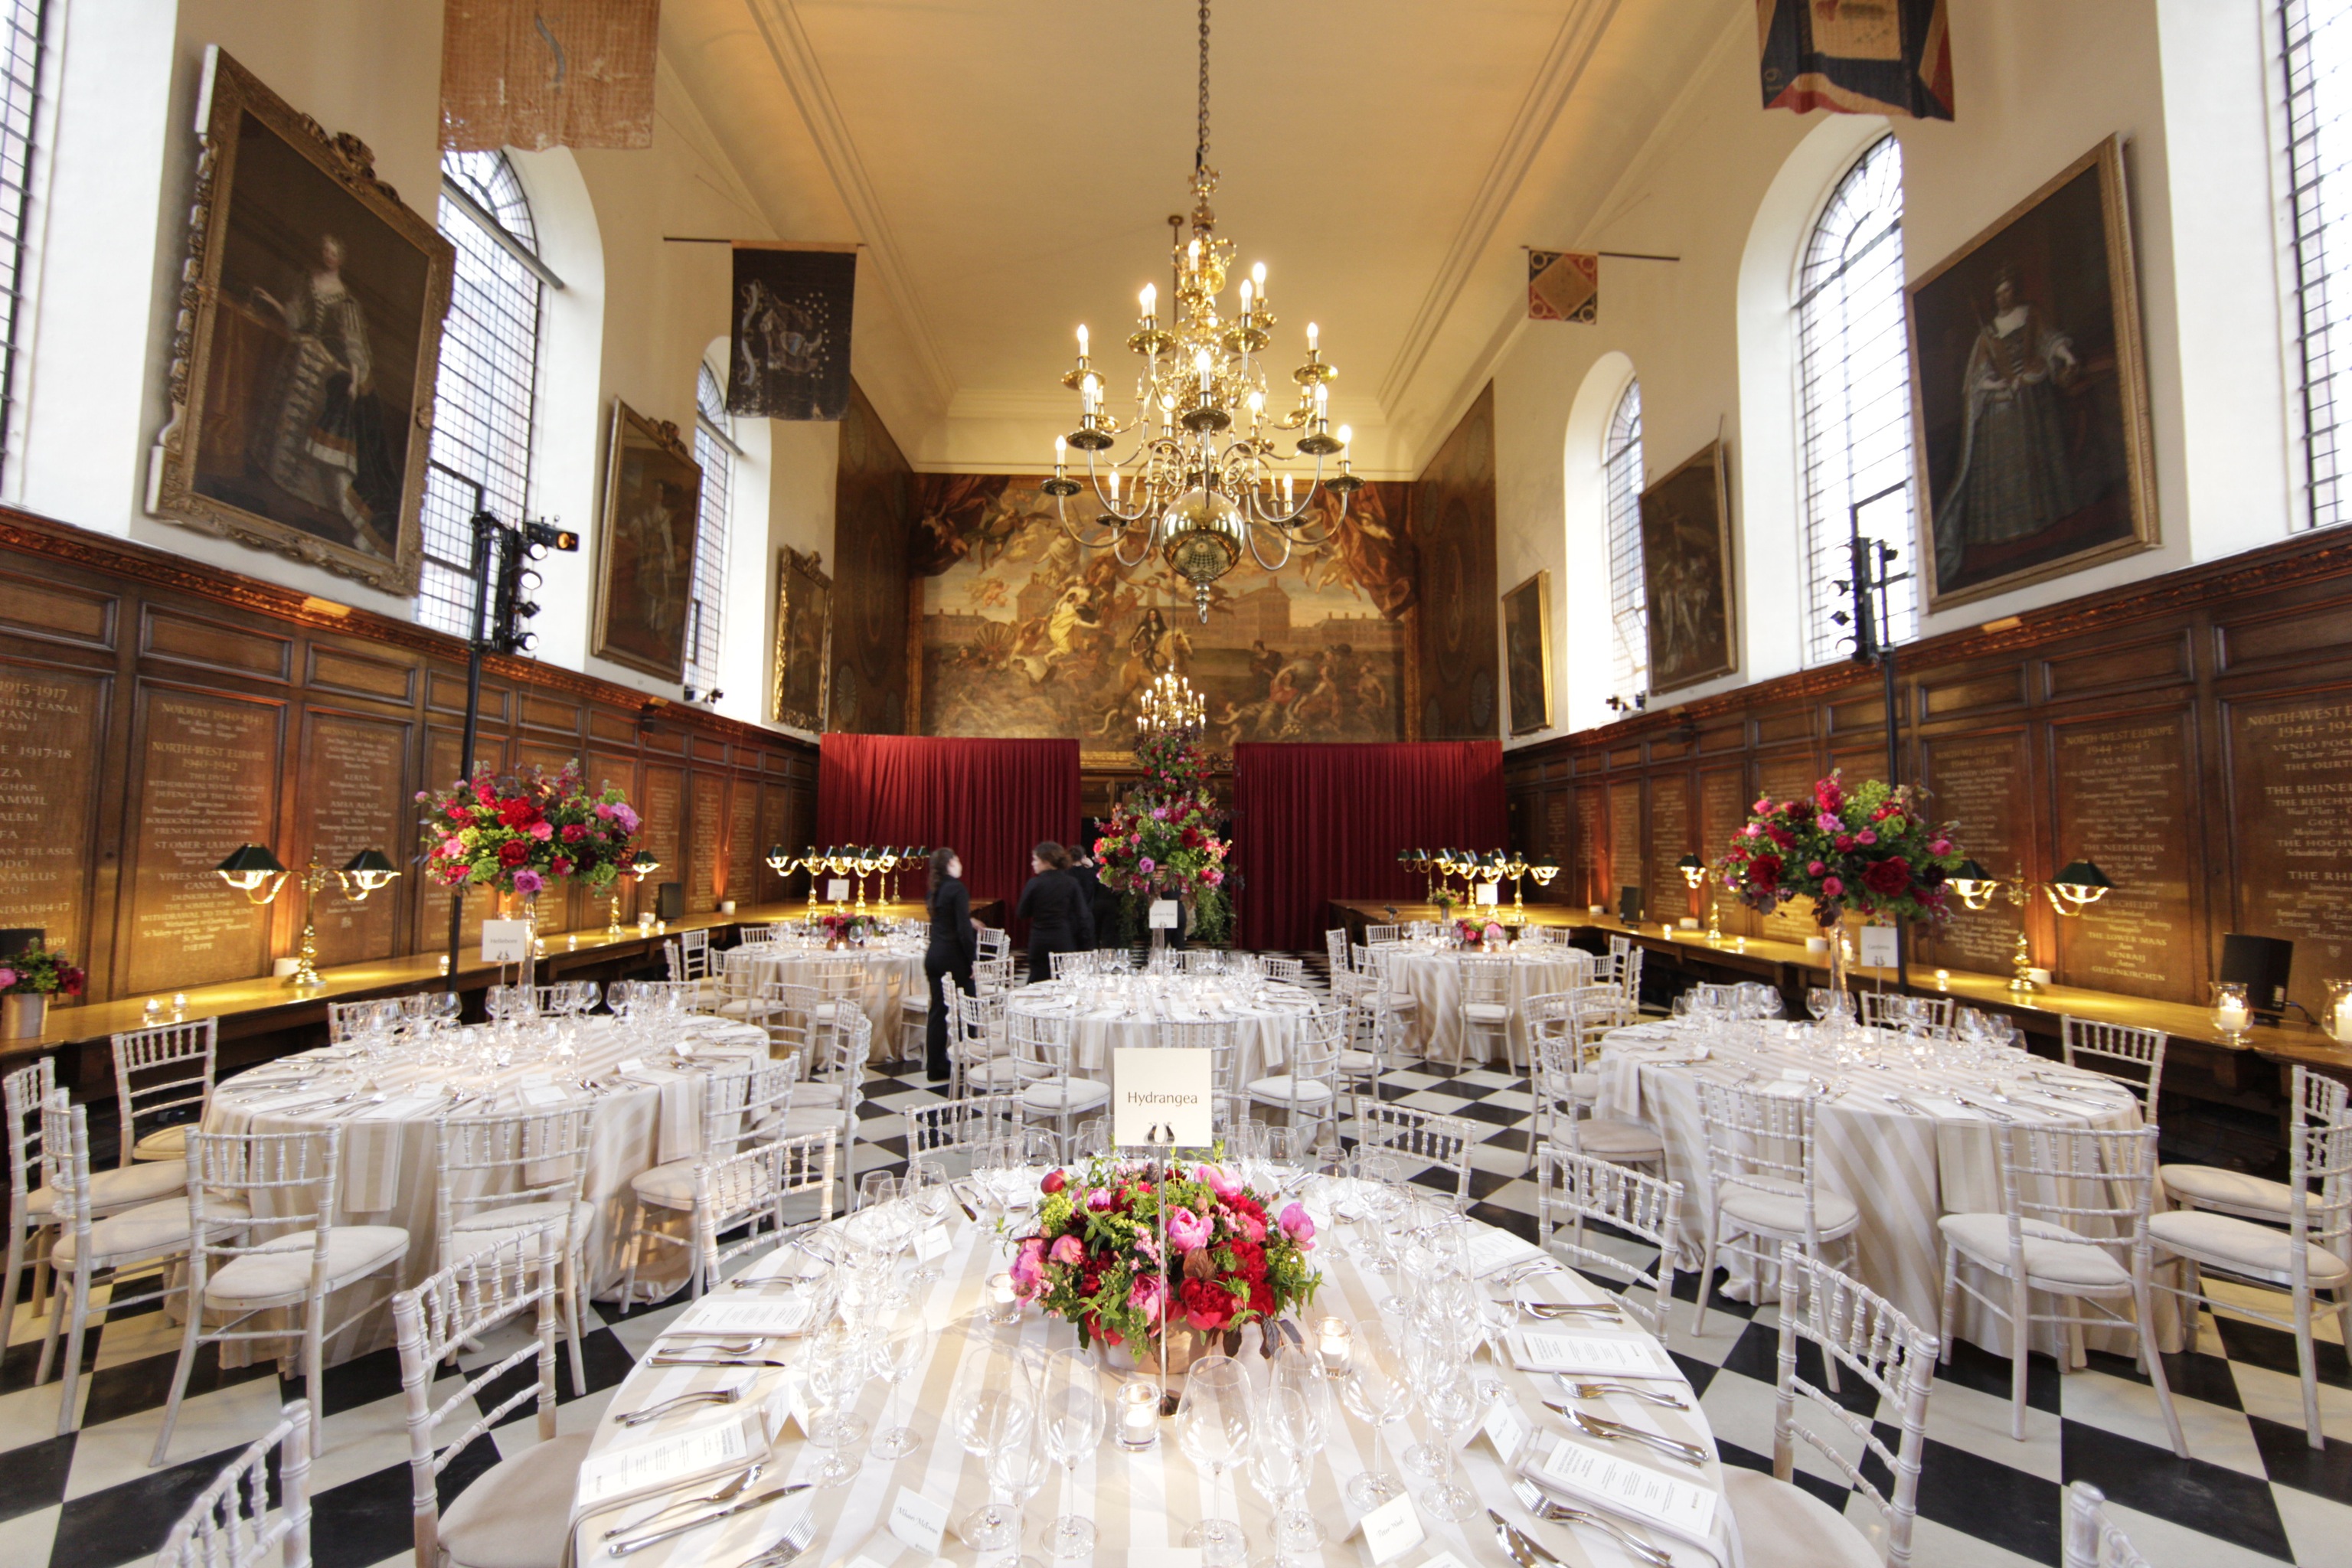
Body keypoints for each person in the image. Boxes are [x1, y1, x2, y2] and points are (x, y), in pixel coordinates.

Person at [923, 846, 979, 1082]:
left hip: (934, 955)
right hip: (953, 958)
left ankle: (935, 1067)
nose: (960, 862)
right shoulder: (957, 888)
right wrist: (973, 961)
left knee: (938, 1011)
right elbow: (963, 931)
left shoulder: (935, 890)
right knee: (969, 1008)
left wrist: (968, 921)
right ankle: (969, 1059)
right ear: (950, 864)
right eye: (956, 858)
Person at [1016, 840, 1089, 983]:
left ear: (1047, 861)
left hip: (1039, 941)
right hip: (1063, 940)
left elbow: (1021, 913)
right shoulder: (1071, 883)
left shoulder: (1034, 883)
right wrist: (1086, 946)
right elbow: (1083, 916)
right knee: (1064, 983)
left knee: (1037, 982)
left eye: (1035, 860)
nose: (1033, 864)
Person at [1070, 822, 1120, 951]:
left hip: (1078, 913)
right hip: (1092, 910)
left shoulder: (1065, 874)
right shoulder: (1092, 872)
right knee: (1100, 937)